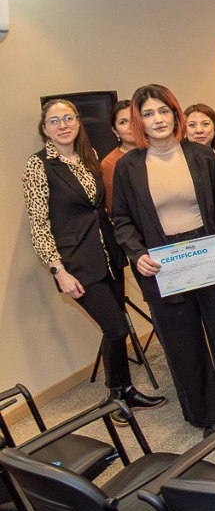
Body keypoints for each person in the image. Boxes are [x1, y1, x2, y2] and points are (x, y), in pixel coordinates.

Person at [112, 84, 215, 432]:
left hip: (209, 255)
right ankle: (207, 415)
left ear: (175, 114)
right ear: (139, 121)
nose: (158, 119)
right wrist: (137, 255)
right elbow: (121, 221)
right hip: (163, 265)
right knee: (184, 347)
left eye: (163, 111)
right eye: (148, 114)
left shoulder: (201, 156)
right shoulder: (128, 167)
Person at [24, 99, 165, 416]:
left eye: (69, 118)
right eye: (55, 120)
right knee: (115, 328)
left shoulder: (87, 157)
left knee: (119, 327)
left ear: (78, 122)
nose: (63, 124)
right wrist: (58, 270)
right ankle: (118, 396)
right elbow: (38, 225)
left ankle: (123, 392)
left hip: (109, 256)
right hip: (77, 262)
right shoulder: (39, 165)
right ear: (45, 128)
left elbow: (101, 209)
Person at [101, 99, 135, 215]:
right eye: (123, 122)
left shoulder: (157, 151)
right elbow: (114, 210)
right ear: (115, 131)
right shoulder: (110, 163)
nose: (131, 126)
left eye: (134, 120)